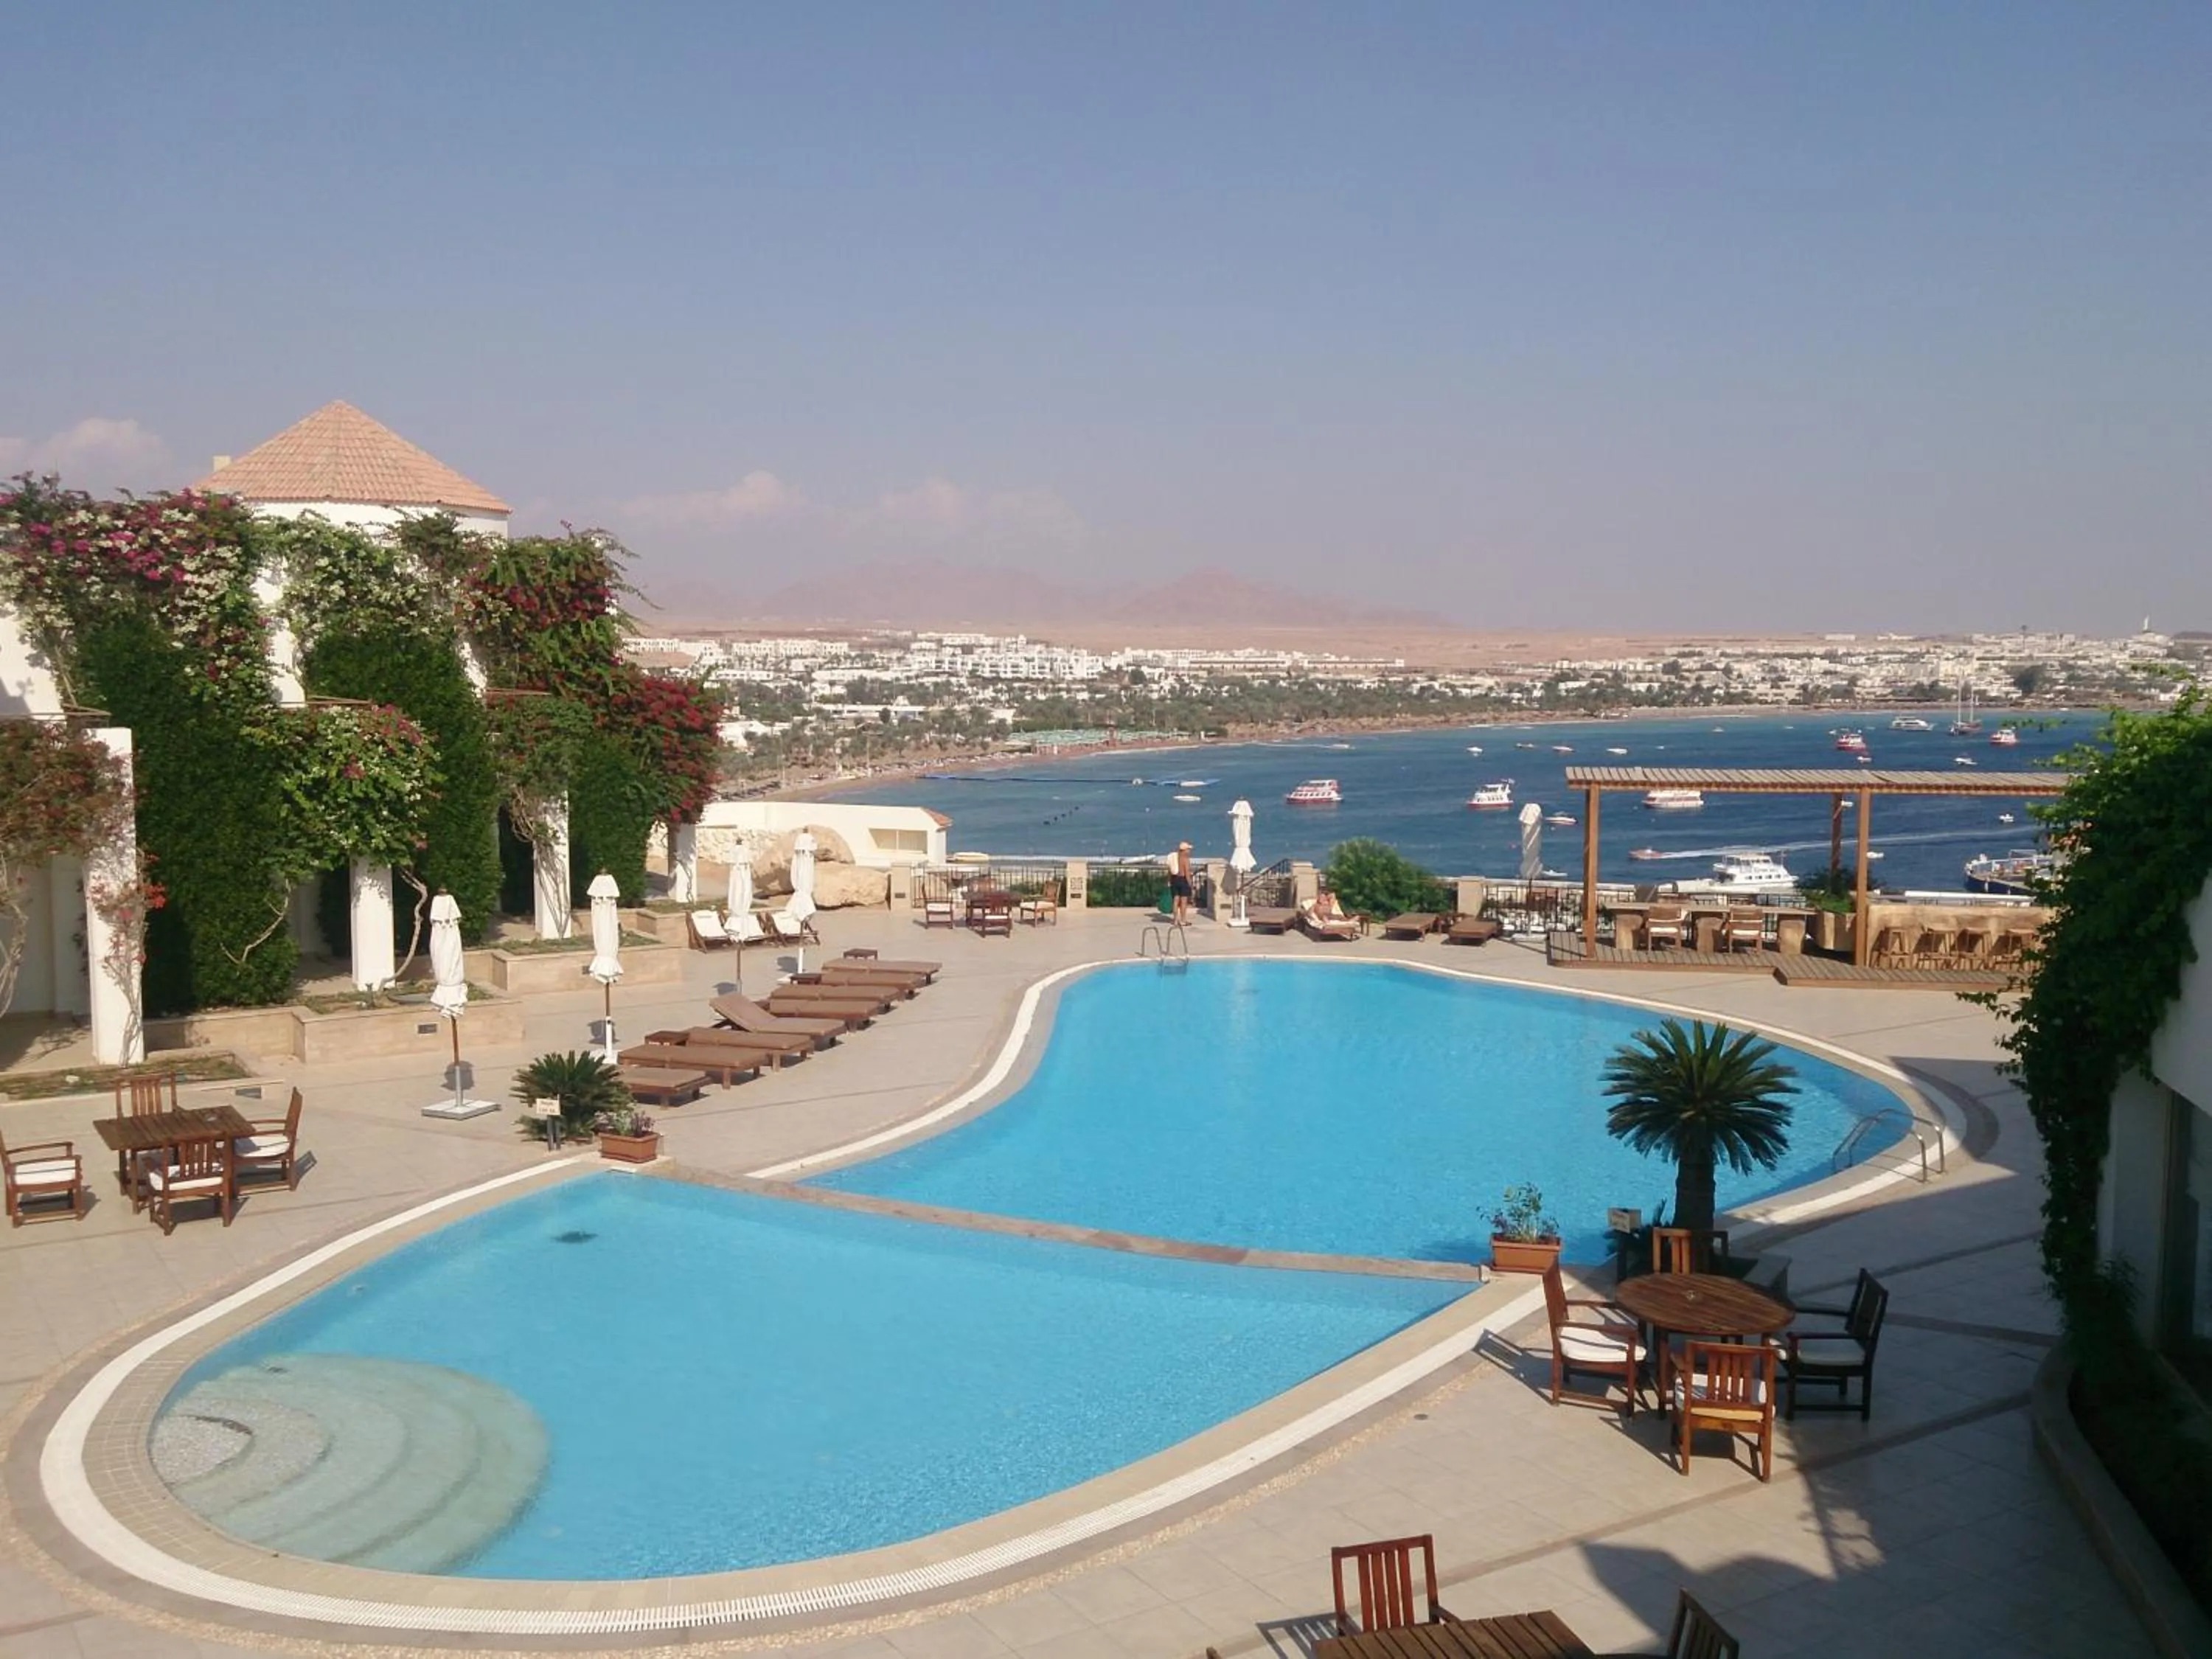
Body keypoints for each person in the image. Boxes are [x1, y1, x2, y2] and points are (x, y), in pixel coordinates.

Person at [1170, 841, 1194, 925]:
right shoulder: (1185, 859)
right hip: (1183, 880)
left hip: (1174, 879)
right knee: (1184, 902)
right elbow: (1187, 873)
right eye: (1188, 849)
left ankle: (1175, 920)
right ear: (1184, 850)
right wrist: (1190, 884)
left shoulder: (1175, 858)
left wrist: (1169, 881)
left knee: (1176, 900)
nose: (1189, 851)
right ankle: (1183, 920)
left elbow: (1170, 870)